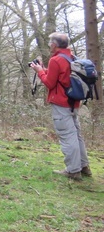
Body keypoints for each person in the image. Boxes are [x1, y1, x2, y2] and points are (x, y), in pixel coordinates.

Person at [30, 32, 92, 180]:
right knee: (76, 134)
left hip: (61, 103)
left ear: (54, 44)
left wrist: (39, 72)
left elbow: (50, 83)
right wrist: (43, 69)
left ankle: (73, 170)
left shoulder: (56, 59)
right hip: (73, 102)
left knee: (67, 136)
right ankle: (84, 167)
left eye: (50, 43)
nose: (49, 45)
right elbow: (59, 78)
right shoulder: (71, 58)